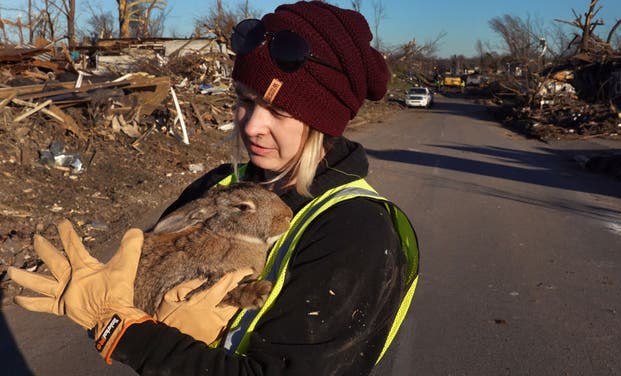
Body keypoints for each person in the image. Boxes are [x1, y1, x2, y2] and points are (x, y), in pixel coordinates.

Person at [8, 1, 419, 375]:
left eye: (277, 111)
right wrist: (106, 305)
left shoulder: (353, 230)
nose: (251, 125)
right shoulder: (221, 183)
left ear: (323, 122)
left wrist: (125, 333)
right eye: (245, 99)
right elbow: (129, 292)